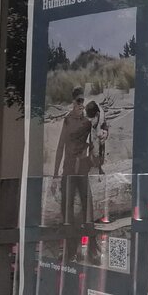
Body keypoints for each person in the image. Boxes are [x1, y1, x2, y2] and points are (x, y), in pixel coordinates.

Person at [52, 87, 94, 241]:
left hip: (82, 169)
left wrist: (89, 150)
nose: (81, 104)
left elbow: (96, 140)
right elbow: (60, 147)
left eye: (83, 101)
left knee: (88, 209)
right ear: (73, 102)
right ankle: (70, 252)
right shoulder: (68, 120)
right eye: (79, 101)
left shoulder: (87, 122)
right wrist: (55, 175)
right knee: (67, 211)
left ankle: (92, 249)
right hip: (69, 170)